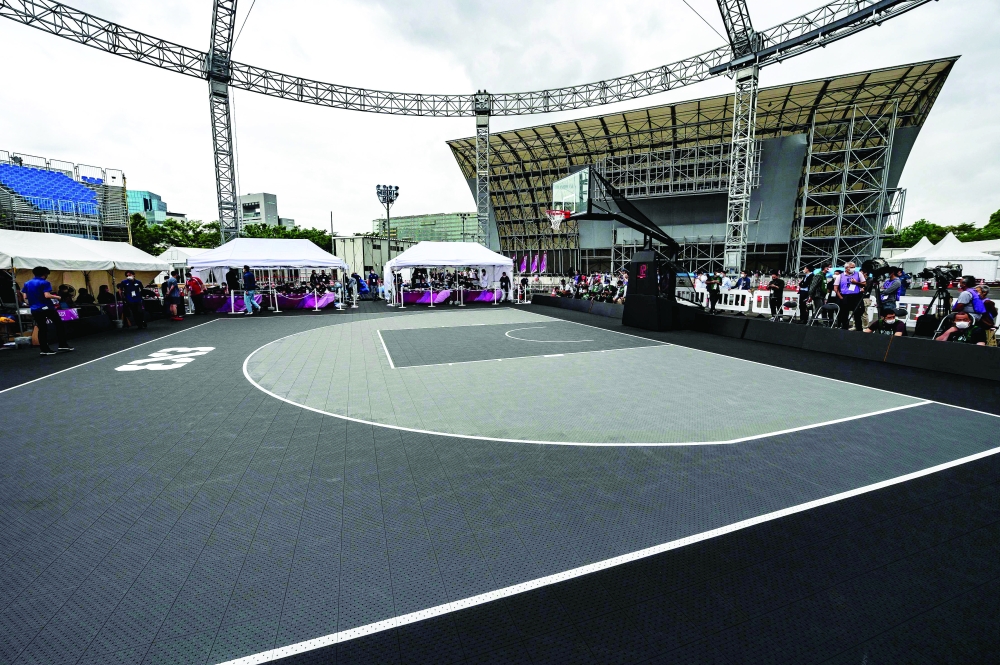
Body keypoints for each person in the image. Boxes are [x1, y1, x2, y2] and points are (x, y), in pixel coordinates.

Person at [21, 266, 74, 356]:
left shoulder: (27, 283)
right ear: (45, 274)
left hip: (35, 309)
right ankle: (62, 344)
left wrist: (33, 302)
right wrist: (57, 297)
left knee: (42, 328)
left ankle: (44, 349)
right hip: (46, 307)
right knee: (59, 324)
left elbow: (25, 297)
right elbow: (47, 295)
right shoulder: (45, 283)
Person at [834, 262, 865, 331]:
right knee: (844, 314)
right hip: (845, 296)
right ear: (846, 268)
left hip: (856, 296)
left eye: (854, 267)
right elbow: (835, 288)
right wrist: (840, 297)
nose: (853, 268)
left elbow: (864, 283)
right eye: (851, 267)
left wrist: (856, 283)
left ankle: (859, 329)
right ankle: (844, 329)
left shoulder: (859, 274)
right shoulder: (840, 276)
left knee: (857, 314)